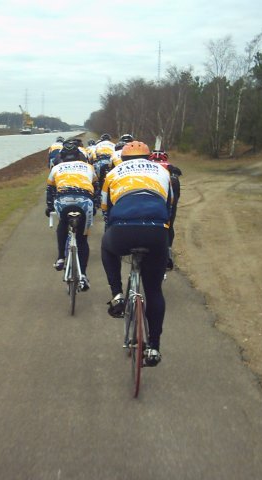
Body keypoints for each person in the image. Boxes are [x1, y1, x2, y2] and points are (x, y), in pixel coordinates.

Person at [100, 141, 173, 366]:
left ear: (123, 159)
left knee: (106, 246)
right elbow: (169, 205)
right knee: (154, 291)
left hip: (123, 230)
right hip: (155, 232)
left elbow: (104, 208)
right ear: (149, 157)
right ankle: (153, 347)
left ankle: (118, 294)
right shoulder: (162, 171)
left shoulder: (113, 173)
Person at [46, 146, 99, 291]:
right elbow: (96, 187)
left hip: (63, 200)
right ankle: (83, 275)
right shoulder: (89, 167)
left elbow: (50, 189)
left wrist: (49, 207)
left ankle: (60, 258)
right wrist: (95, 206)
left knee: (63, 223)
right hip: (85, 201)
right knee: (82, 239)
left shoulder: (56, 167)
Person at [148, 150, 182, 270]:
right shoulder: (170, 166)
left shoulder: (147, 166)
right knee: (168, 224)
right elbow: (179, 173)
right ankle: (167, 253)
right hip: (169, 192)